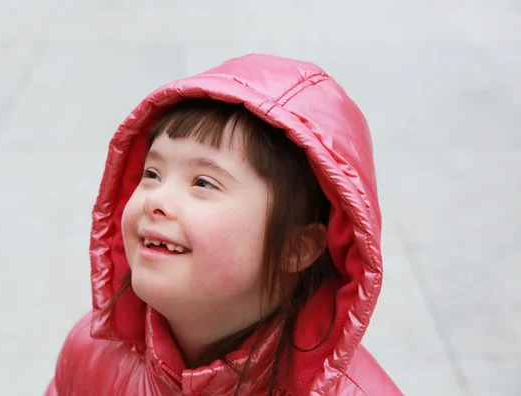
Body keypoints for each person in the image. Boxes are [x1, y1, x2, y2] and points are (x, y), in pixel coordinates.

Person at [45, 53, 402, 395]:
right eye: (151, 173)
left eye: (203, 182)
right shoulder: (91, 354)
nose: (155, 200)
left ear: (297, 247)